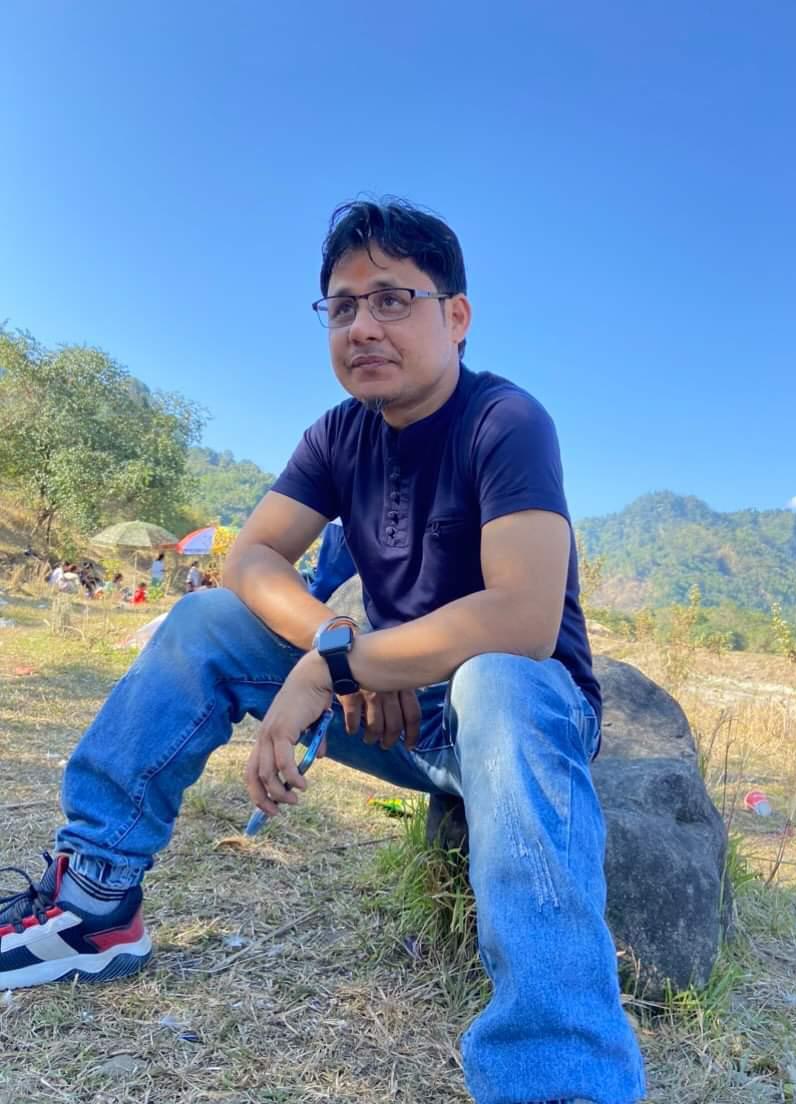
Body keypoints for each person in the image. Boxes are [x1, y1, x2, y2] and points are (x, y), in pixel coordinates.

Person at [0, 200, 645, 1104]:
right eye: (342, 307)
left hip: (521, 719)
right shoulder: (340, 434)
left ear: (456, 316)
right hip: (394, 713)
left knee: (499, 681)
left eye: (392, 299)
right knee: (203, 623)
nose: (362, 327)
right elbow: (251, 557)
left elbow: (524, 618)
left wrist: (340, 667)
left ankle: (559, 1077)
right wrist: (333, 639)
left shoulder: (505, 420)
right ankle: (94, 903)